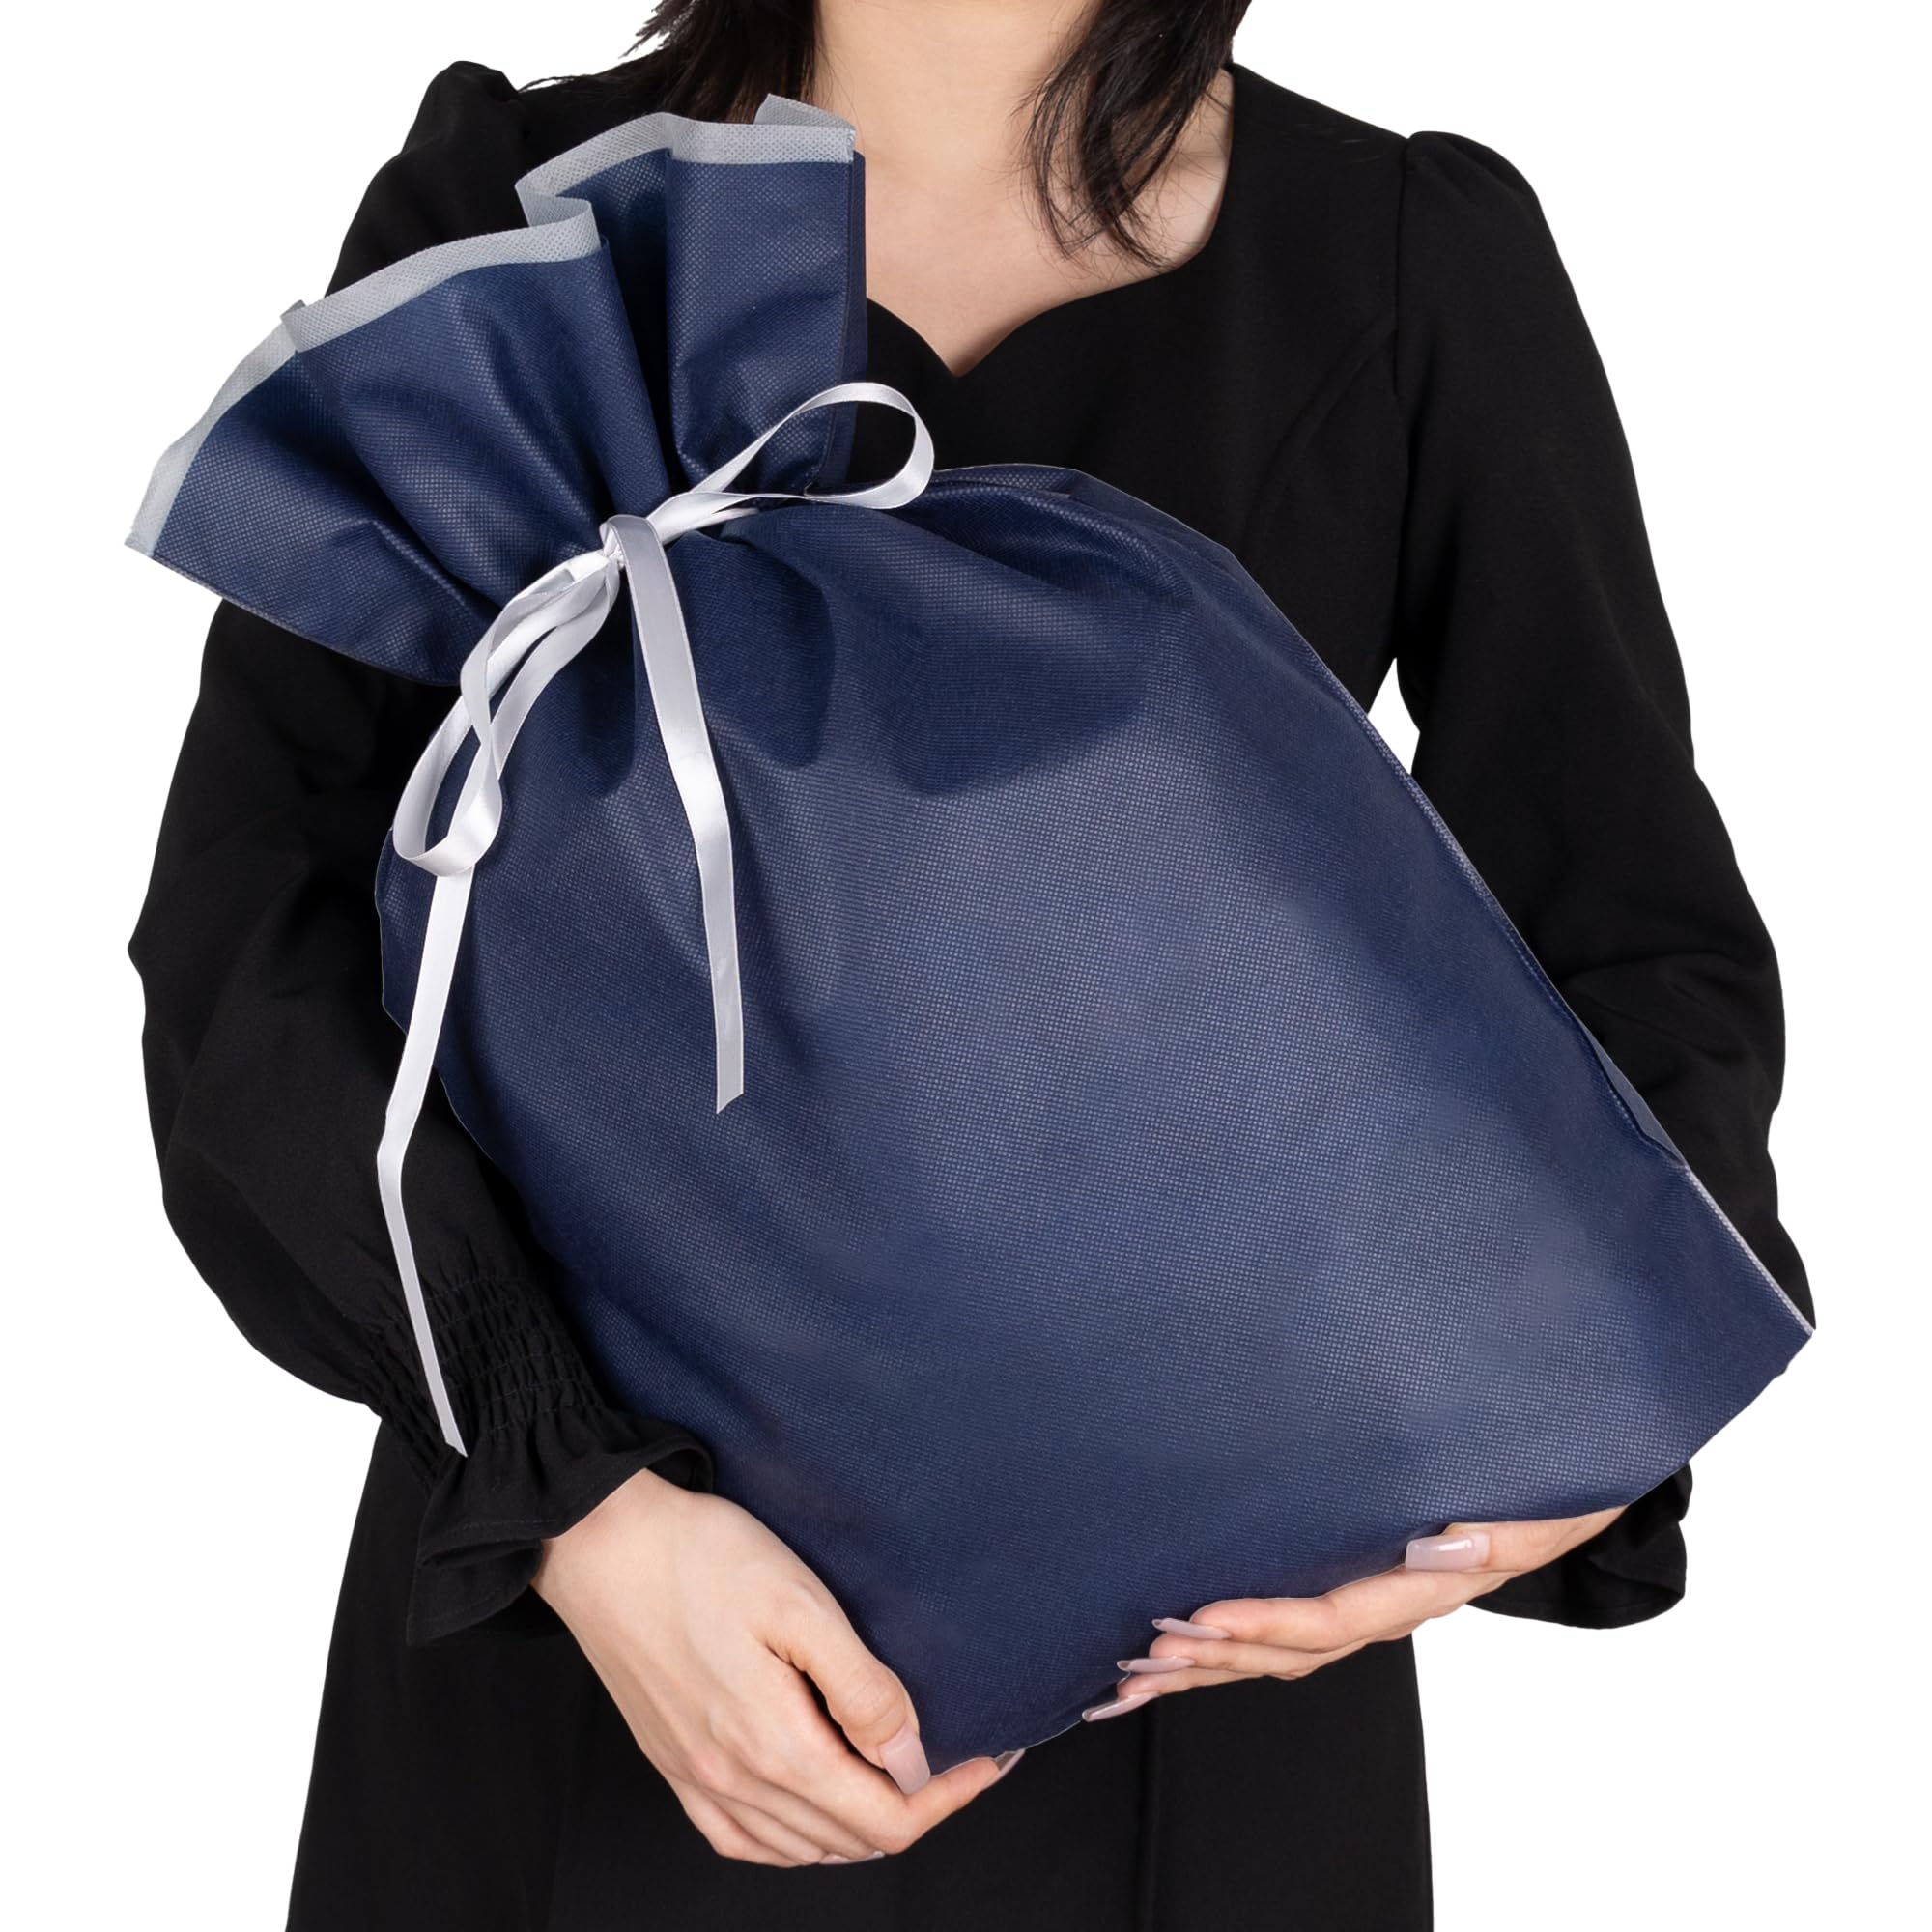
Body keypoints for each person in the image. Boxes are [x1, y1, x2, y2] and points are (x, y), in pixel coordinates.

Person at [128, 3, 1811, 1925]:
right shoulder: (513, 213)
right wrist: (579, 1509)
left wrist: (1547, 1458)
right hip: (606, 1661)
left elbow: (1634, 932)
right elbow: (252, 941)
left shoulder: (1404, 261)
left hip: (1203, 1674)